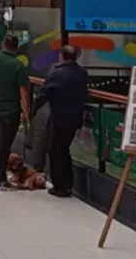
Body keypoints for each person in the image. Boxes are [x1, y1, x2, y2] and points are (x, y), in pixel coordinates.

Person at [0, 34, 30, 191]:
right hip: (9, 111)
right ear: (16, 47)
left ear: (3, 44)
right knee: (4, 145)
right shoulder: (17, 65)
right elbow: (23, 91)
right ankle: (0, 178)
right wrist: (26, 111)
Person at [40, 45, 90, 197]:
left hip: (58, 118)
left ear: (62, 57)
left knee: (56, 151)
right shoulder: (82, 74)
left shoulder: (56, 74)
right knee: (64, 150)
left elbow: (44, 92)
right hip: (74, 119)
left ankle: (60, 186)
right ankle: (68, 184)